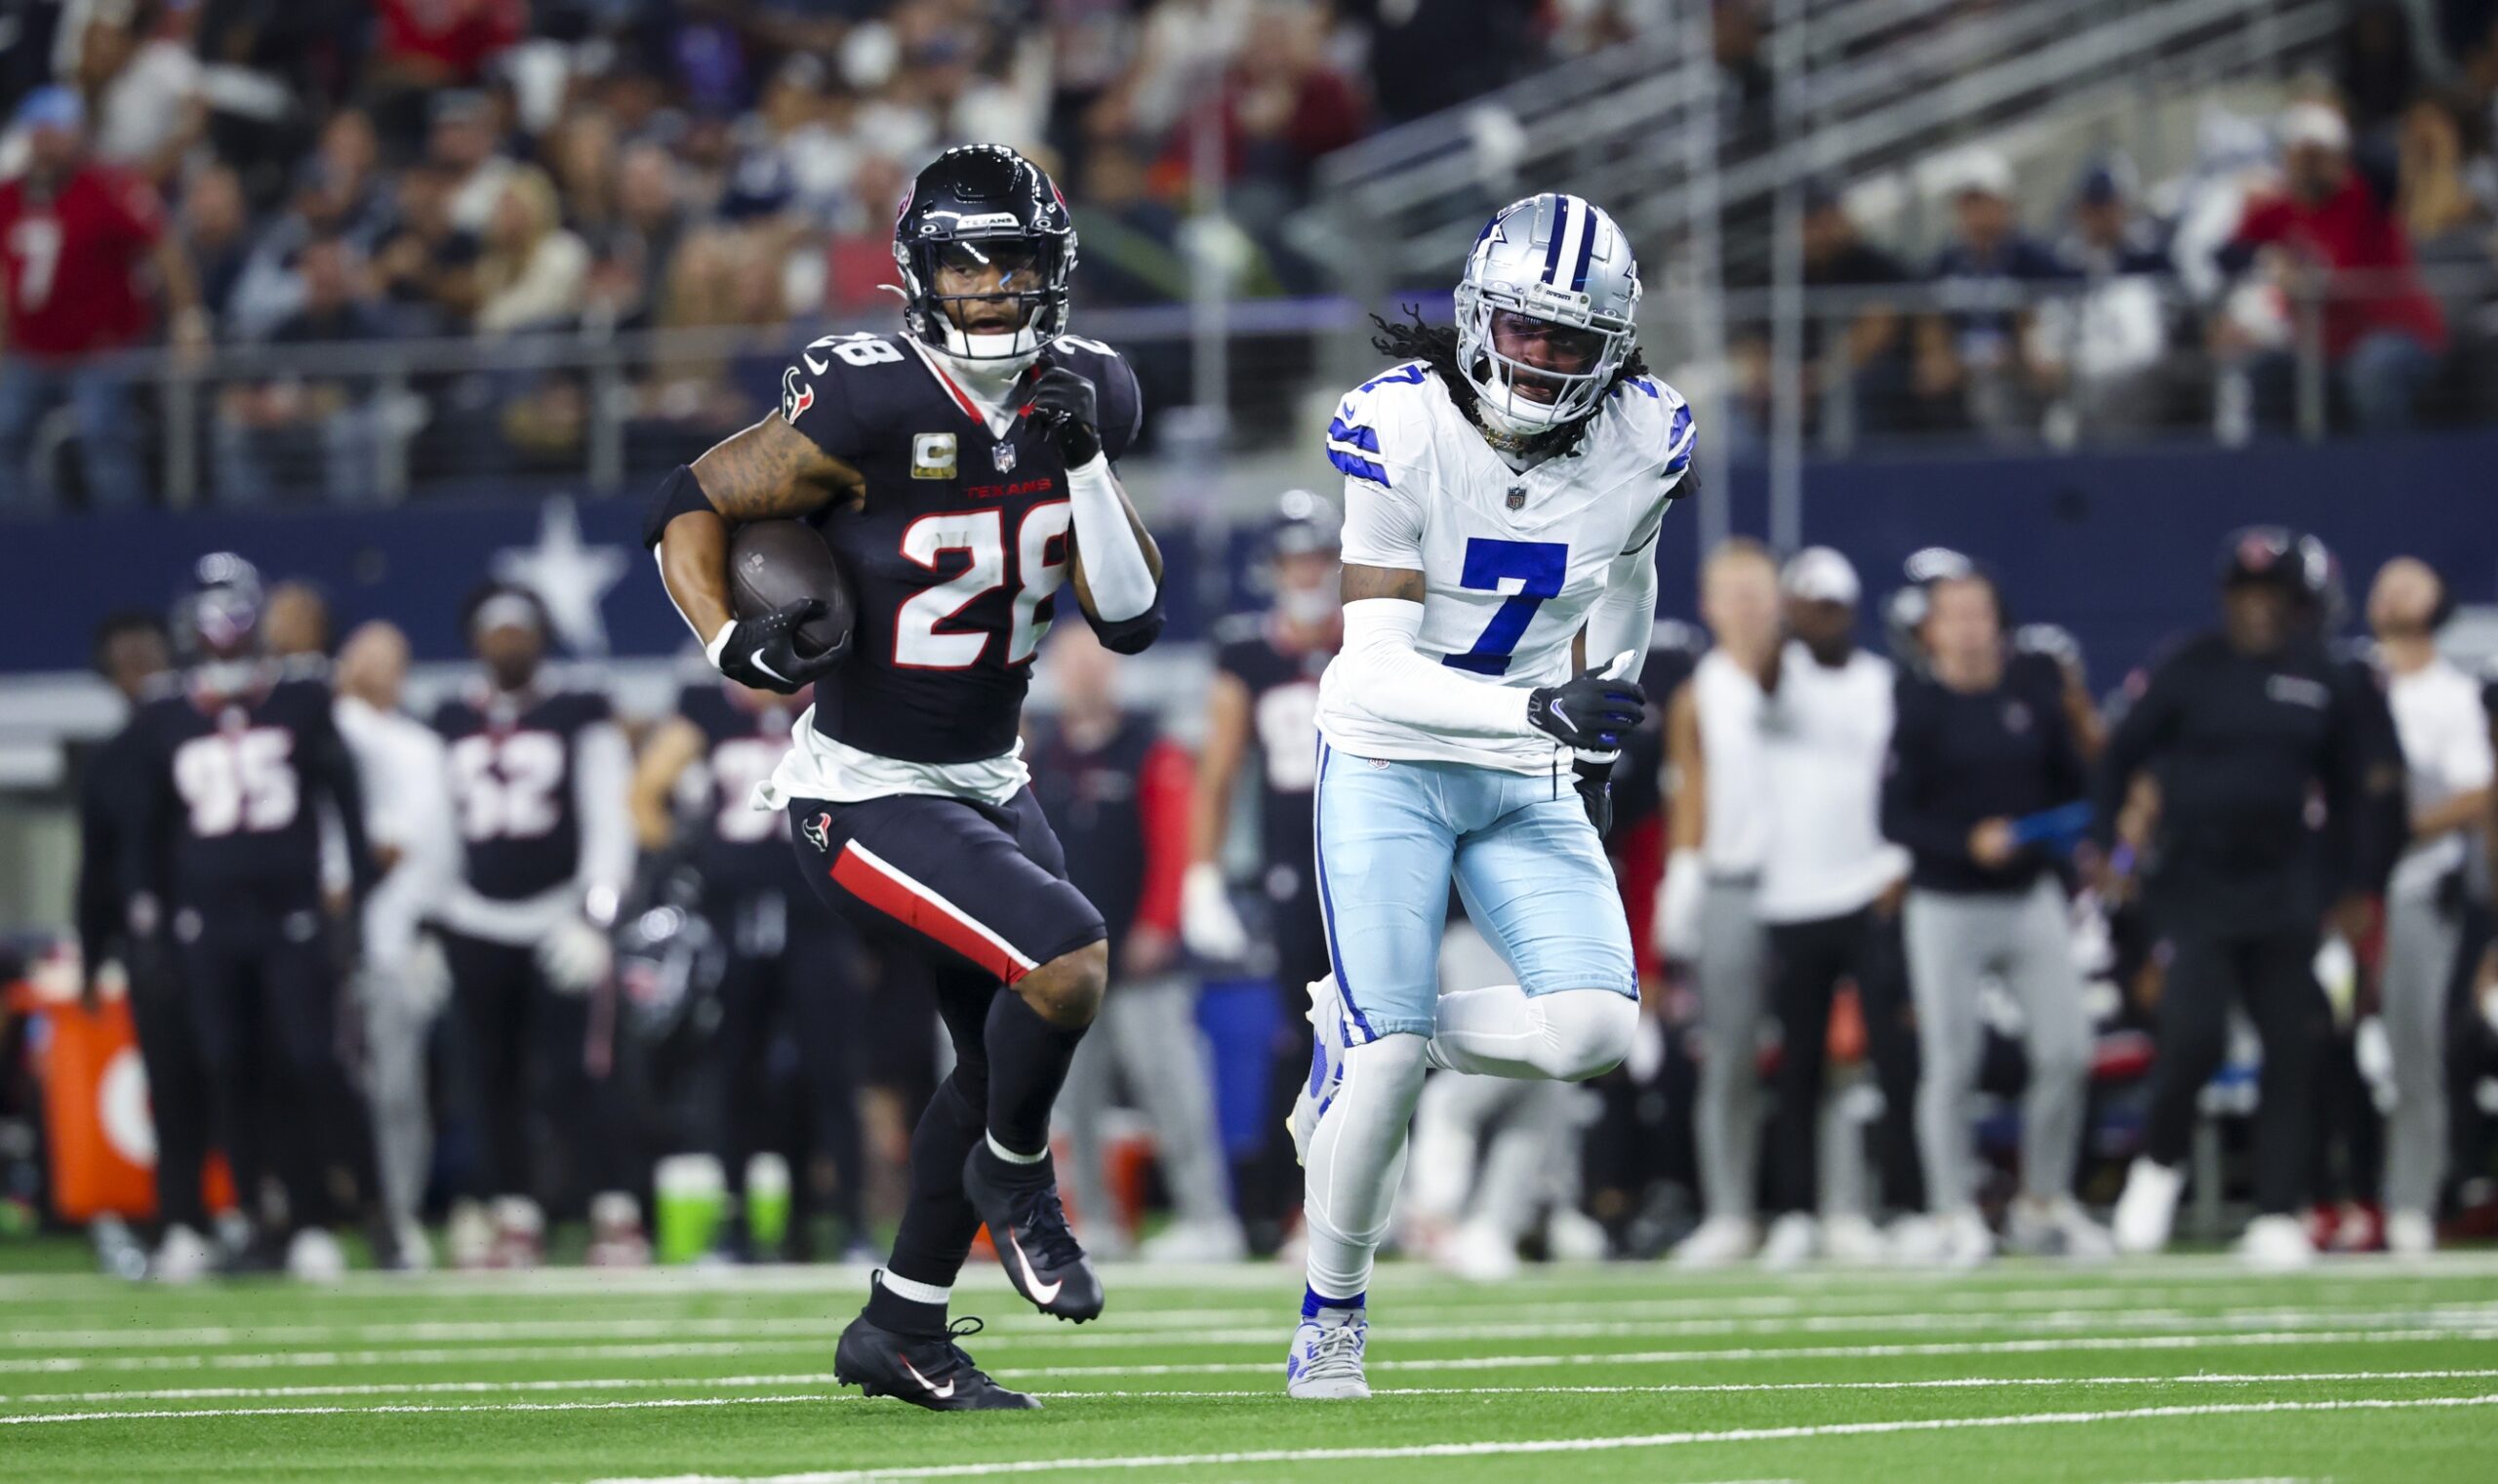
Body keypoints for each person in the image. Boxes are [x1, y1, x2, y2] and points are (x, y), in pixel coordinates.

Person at [645, 145, 1162, 1412]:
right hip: (862, 787)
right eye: (960, 261)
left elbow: (1134, 618)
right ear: (917, 273)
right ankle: (1017, 1179)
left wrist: (1085, 461)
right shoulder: (864, 400)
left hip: (994, 773)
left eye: (1013, 261)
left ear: (1055, 268)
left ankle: (902, 1327)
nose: (989, 287)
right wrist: (726, 638)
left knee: (997, 1053)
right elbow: (689, 500)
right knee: (1065, 957)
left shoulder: (1093, 386)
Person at [1290, 191, 1691, 1398]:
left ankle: (1360, 1035)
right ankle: (1333, 1316)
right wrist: (1541, 711)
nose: (1542, 359)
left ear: (1613, 352)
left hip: (1529, 758)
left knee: (1591, 1034)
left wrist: (1605, 714)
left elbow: (1630, 576)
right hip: (1390, 754)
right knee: (1390, 1059)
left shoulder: (1648, 437)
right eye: (1524, 331)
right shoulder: (1399, 428)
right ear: (1476, 318)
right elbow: (1371, 663)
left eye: (1571, 342)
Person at [2104, 528, 2402, 1269]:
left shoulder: (2325, 676)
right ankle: (2159, 1163)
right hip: (2196, 884)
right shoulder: (2190, 666)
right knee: (2195, 1035)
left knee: (2294, 1045)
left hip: (2287, 889)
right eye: (2246, 594)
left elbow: (2358, 791)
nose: (2259, 609)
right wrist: (2112, 848)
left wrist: (2355, 884)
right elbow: (2118, 754)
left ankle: (2276, 1209)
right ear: (2226, 599)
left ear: (2298, 605)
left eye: (2273, 596)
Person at [122, 554, 380, 1278]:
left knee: (303, 1064)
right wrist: (149, 920)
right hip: (207, 924)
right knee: (226, 1068)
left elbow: (345, 803)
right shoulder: (165, 711)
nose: (223, 627)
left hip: (290, 916)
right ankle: (250, 1216)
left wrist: (355, 896)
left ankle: (316, 1218)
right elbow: (149, 832)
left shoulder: (298, 695)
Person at [1881, 564, 2109, 1265]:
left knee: (2068, 1050)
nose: (1970, 627)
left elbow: (2081, 785)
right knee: (1953, 1064)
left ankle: (2043, 1204)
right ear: (1931, 628)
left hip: (2030, 898)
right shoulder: (1915, 703)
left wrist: (2077, 840)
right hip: (1945, 901)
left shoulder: (2036, 692)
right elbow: (1893, 816)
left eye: (1980, 612)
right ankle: (1953, 1212)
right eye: (1955, 614)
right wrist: (1966, 841)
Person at [628, 674, 874, 1262]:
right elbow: (643, 794)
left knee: (832, 1075)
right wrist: (688, 864)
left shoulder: (835, 703)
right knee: (734, 1072)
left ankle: (849, 1225)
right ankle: (735, 1225)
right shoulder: (707, 706)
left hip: (817, 917)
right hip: (733, 917)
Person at [431, 582, 641, 1269]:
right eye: (497, 632)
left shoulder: (579, 711)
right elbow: (432, 830)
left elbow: (611, 819)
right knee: (491, 1076)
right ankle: (514, 1211)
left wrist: (595, 915)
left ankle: (612, 1206)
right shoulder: (448, 718)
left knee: (582, 1071)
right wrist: (429, 927)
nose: (508, 643)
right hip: (476, 918)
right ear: (475, 642)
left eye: (519, 631)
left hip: (560, 915)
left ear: (542, 638)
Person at [1029, 623, 1244, 1262]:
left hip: (1141, 960)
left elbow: (1177, 842)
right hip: (1070, 963)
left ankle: (1209, 1219)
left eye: (1094, 662)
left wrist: (1159, 922)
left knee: (1173, 1089)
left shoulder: (1150, 746)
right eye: (1073, 663)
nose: (1085, 675)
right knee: (1073, 1103)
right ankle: (1095, 1221)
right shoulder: (1042, 757)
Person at [1752, 548, 1920, 1268]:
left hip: (1869, 886)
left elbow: (1909, 780)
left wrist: (1901, 864)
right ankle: (1794, 1211)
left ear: (1847, 610)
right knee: (1797, 1068)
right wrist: (1777, 624)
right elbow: (1764, 676)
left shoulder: (1884, 682)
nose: (1811, 618)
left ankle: (1911, 1207)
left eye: (1823, 606)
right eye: (1802, 606)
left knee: (1894, 1058)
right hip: (1791, 894)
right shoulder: (1778, 676)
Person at [1186, 489, 1342, 1255]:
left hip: (1377, 856)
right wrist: (1202, 873)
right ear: (1273, 566)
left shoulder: (1373, 641)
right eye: (1294, 556)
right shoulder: (1247, 653)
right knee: (1308, 1034)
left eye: (1317, 554)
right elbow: (1217, 770)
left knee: (1384, 1034)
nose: (1306, 569)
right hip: (1293, 864)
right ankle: (1292, 1208)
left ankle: (1376, 1199)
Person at [73, 609, 216, 1281]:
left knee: (246, 1075)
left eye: (147, 652)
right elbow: (95, 871)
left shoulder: (210, 731)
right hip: (153, 944)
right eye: (124, 657)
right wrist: (91, 953)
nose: (139, 668)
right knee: (172, 1085)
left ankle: (265, 1211)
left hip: (229, 933)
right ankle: (184, 1220)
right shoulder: (109, 760)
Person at [1656, 540, 1784, 1267]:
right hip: (1734, 880)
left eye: (1756, 591)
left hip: (1814, 884)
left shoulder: (1810, 677)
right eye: (1730, 592)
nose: (1744, 606)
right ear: (1707, 606)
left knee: (1828, 1059)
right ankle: (1730, 1210)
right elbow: (1691, 790)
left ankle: (1832, 1206)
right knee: (1729, 1055)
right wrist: (1684, 878)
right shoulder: (1699, 691)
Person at [0, 85, 205, 509]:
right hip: (31, 348)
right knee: (5, 433)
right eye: (42, 131)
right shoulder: (9, 196)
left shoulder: (108, 187)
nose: (49, 141)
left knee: (103, 437)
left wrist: (188, 318)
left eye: (58, 132)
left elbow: (163, 247)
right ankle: (18, 543)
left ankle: (121, 541)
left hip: (101, 348)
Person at [2367, 557, 2491, 1255]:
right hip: (2341, 896)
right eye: (2386, 581)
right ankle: (2325, 1199)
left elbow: (2478, 792)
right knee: (2325, 1048)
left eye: (2412, 581)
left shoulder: (2449, 692)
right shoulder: (2353, 681)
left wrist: (2402, 827)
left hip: (2415, 890)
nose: (2394, 591)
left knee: (2414, 1048)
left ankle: (2412, 1198)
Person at [331, 621, 457, 1271]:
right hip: (328, 935)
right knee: (317, 1081)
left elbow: (421, 848)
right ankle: (308, 1215)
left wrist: (430, 927)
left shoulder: (417, 744)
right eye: (366, 656)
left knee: (399, 1090)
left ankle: (398, 1214)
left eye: (391, 658)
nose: (379, 669)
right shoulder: (338, 728)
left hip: (397, 936)